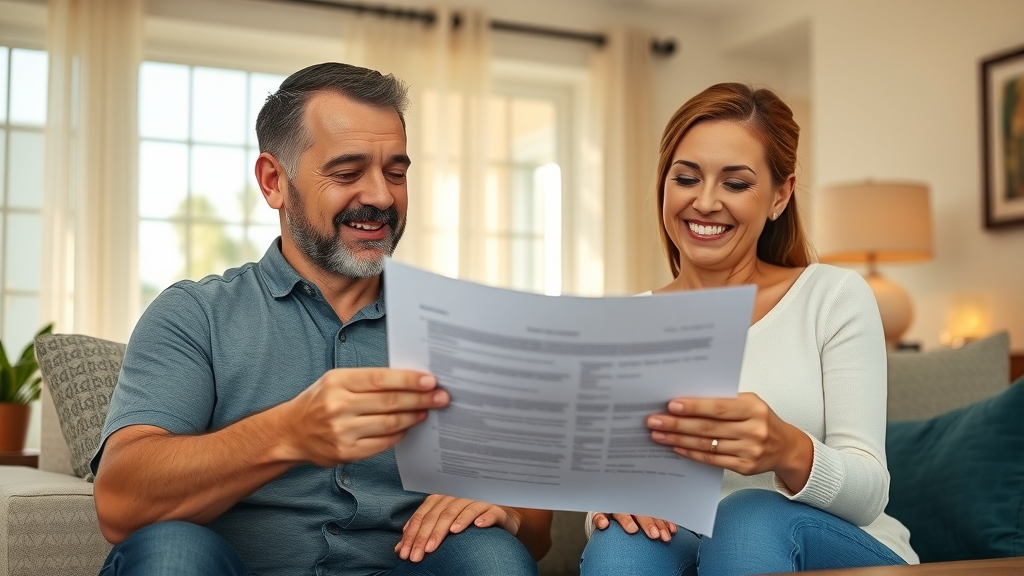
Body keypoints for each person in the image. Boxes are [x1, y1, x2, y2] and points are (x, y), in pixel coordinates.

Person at [91, 62, 551, 576]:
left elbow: (536, 531)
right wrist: (289, 431)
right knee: (170, 553)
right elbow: (120, 504)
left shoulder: (462, 325)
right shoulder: (194, 316)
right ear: (273, 182)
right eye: (348, 172)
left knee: (492, 556)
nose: (380, 196)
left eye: (396, 173)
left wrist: (505, 512)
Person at [578, 83, 918, 576]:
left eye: (735, 184)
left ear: (781, 195)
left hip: (840, 547)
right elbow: (603, 492)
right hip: (690, 546)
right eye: (686, 178)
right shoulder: (626, 325)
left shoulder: (833, 297)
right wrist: (611, 505)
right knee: (621, 543)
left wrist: (786, 448)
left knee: (745, 516)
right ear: (664, 184)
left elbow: (869, 494)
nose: (706, 202)